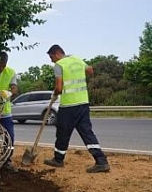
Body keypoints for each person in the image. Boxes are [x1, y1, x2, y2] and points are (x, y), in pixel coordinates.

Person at [43, 44, 110, 173]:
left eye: (51, 57)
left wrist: (54, 94)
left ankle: (58, 160)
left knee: (62, 132)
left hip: (69, 106)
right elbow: (90, 70)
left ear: (57, 54)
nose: (51, 60)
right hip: (83, 103)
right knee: (86, 132)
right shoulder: (77, 59)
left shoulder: (59, 65)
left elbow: (59, 88)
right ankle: (101, 161)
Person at [0, 51, 18, 173]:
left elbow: (15, 88)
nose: (1, 67)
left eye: (3, 65)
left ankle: (7, 160)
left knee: (9, 137)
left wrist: (10, 92)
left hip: (4, 111)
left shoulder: (10, 72)